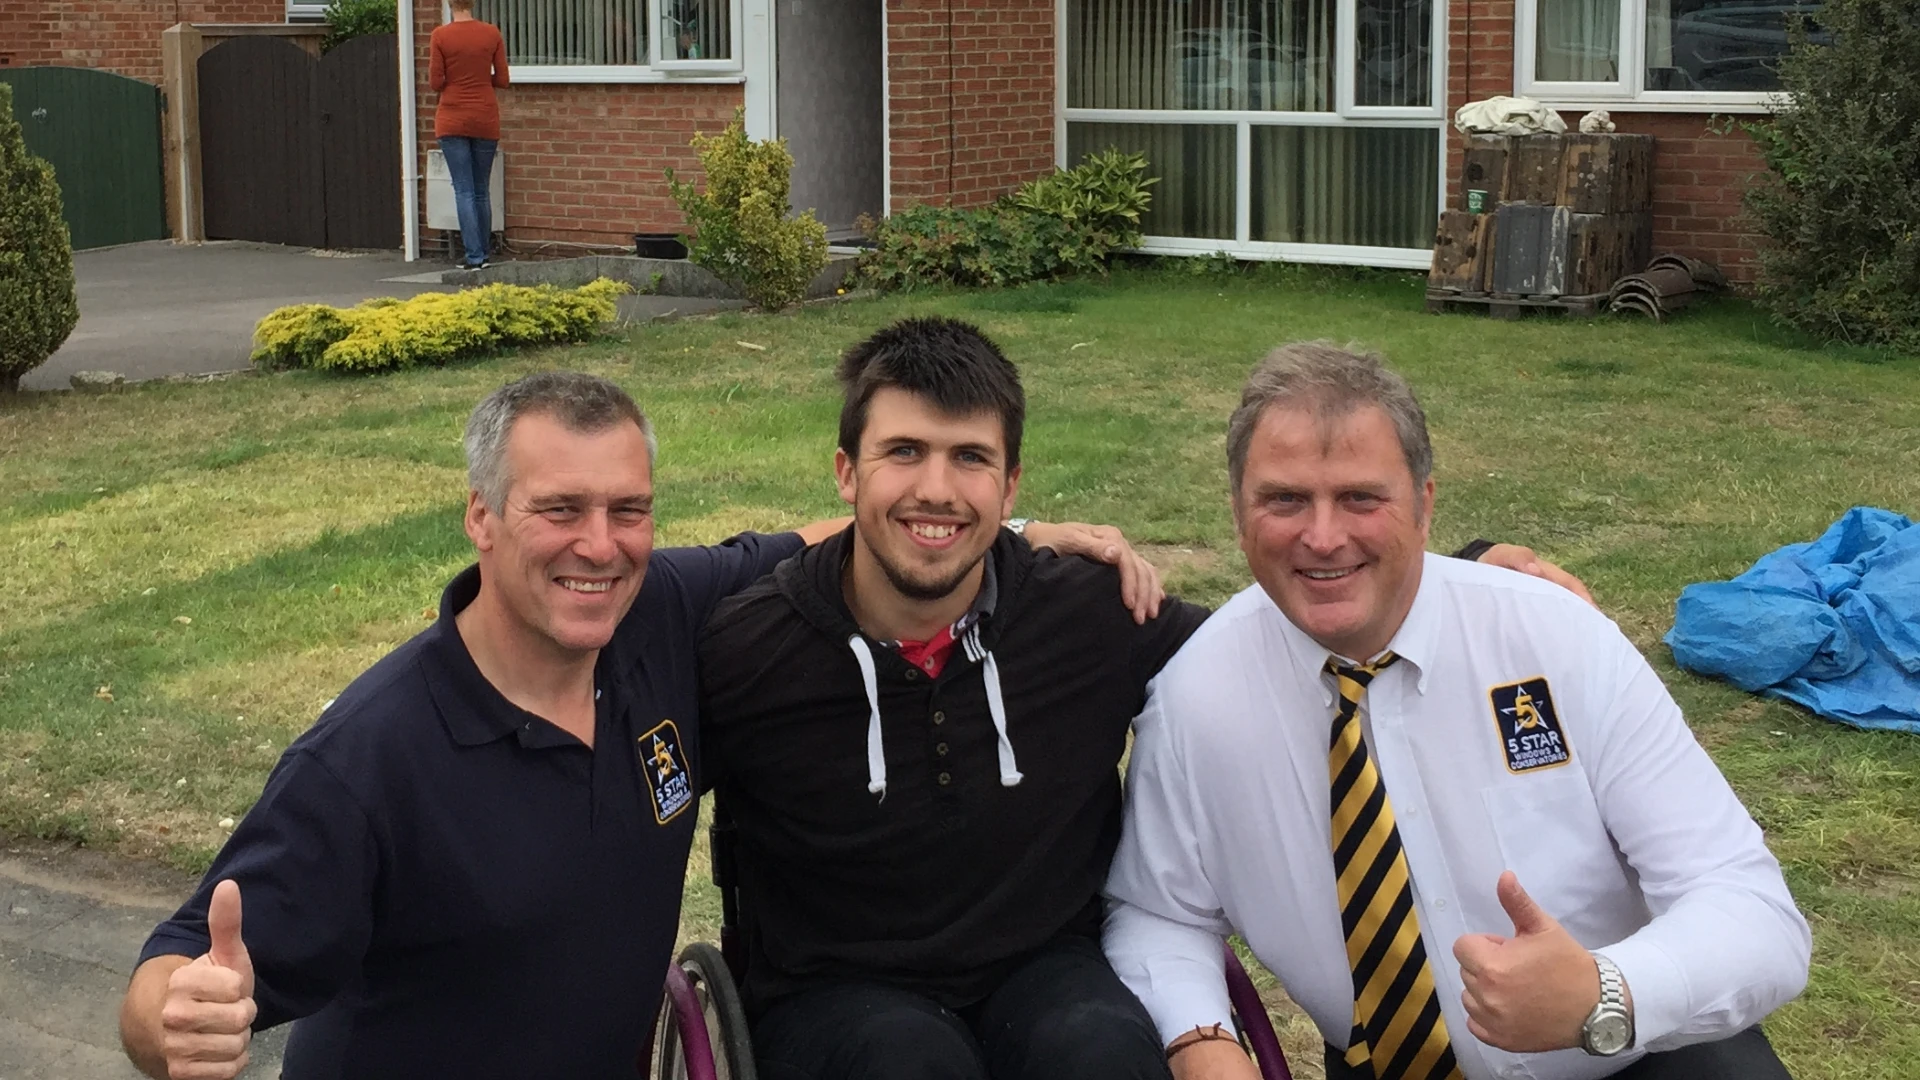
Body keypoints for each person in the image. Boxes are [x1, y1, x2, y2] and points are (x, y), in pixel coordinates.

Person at [113, 370, 1159, 1080]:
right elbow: (175, 966)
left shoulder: (659, 613)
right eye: (558, 510)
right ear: (481, 516)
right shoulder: (373, 758)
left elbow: (825, 539)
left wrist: (1001, 534)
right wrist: (178, 1018)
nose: (600, 547)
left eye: (628, 511)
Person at [696, 319, 1594, 1080]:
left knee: (1100, 1051)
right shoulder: (746, 649)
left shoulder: (1088, 612)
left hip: (1047, 965)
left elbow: (1288, 629)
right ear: (848, 473)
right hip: (832, 992)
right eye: (904, 453)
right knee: (902, 1061)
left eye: (970, 457)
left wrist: (1466, 573)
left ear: (1009, 487)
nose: (936, 488)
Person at [1102, 343, 1811, 1080]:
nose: (1322, 536)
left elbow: (1749, 908)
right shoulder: (1196, 696)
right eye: (1284, 499)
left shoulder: (1557, 641)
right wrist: (1200, 1038)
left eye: (1360, 498)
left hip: (1631, 1057)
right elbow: (1158, 910)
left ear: (1425, 504)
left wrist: (1605, 994)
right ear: (1238, 512)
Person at [430, 0, 509, 270]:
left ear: (451, 4)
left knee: (463, 189)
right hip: (485, 117)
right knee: (481, 191)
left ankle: (473, 256)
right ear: (473, 3)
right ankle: (484, 254)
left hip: (452, 118)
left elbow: (435, 82)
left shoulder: (440, 36)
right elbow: (503, 80)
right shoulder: (491, 33)